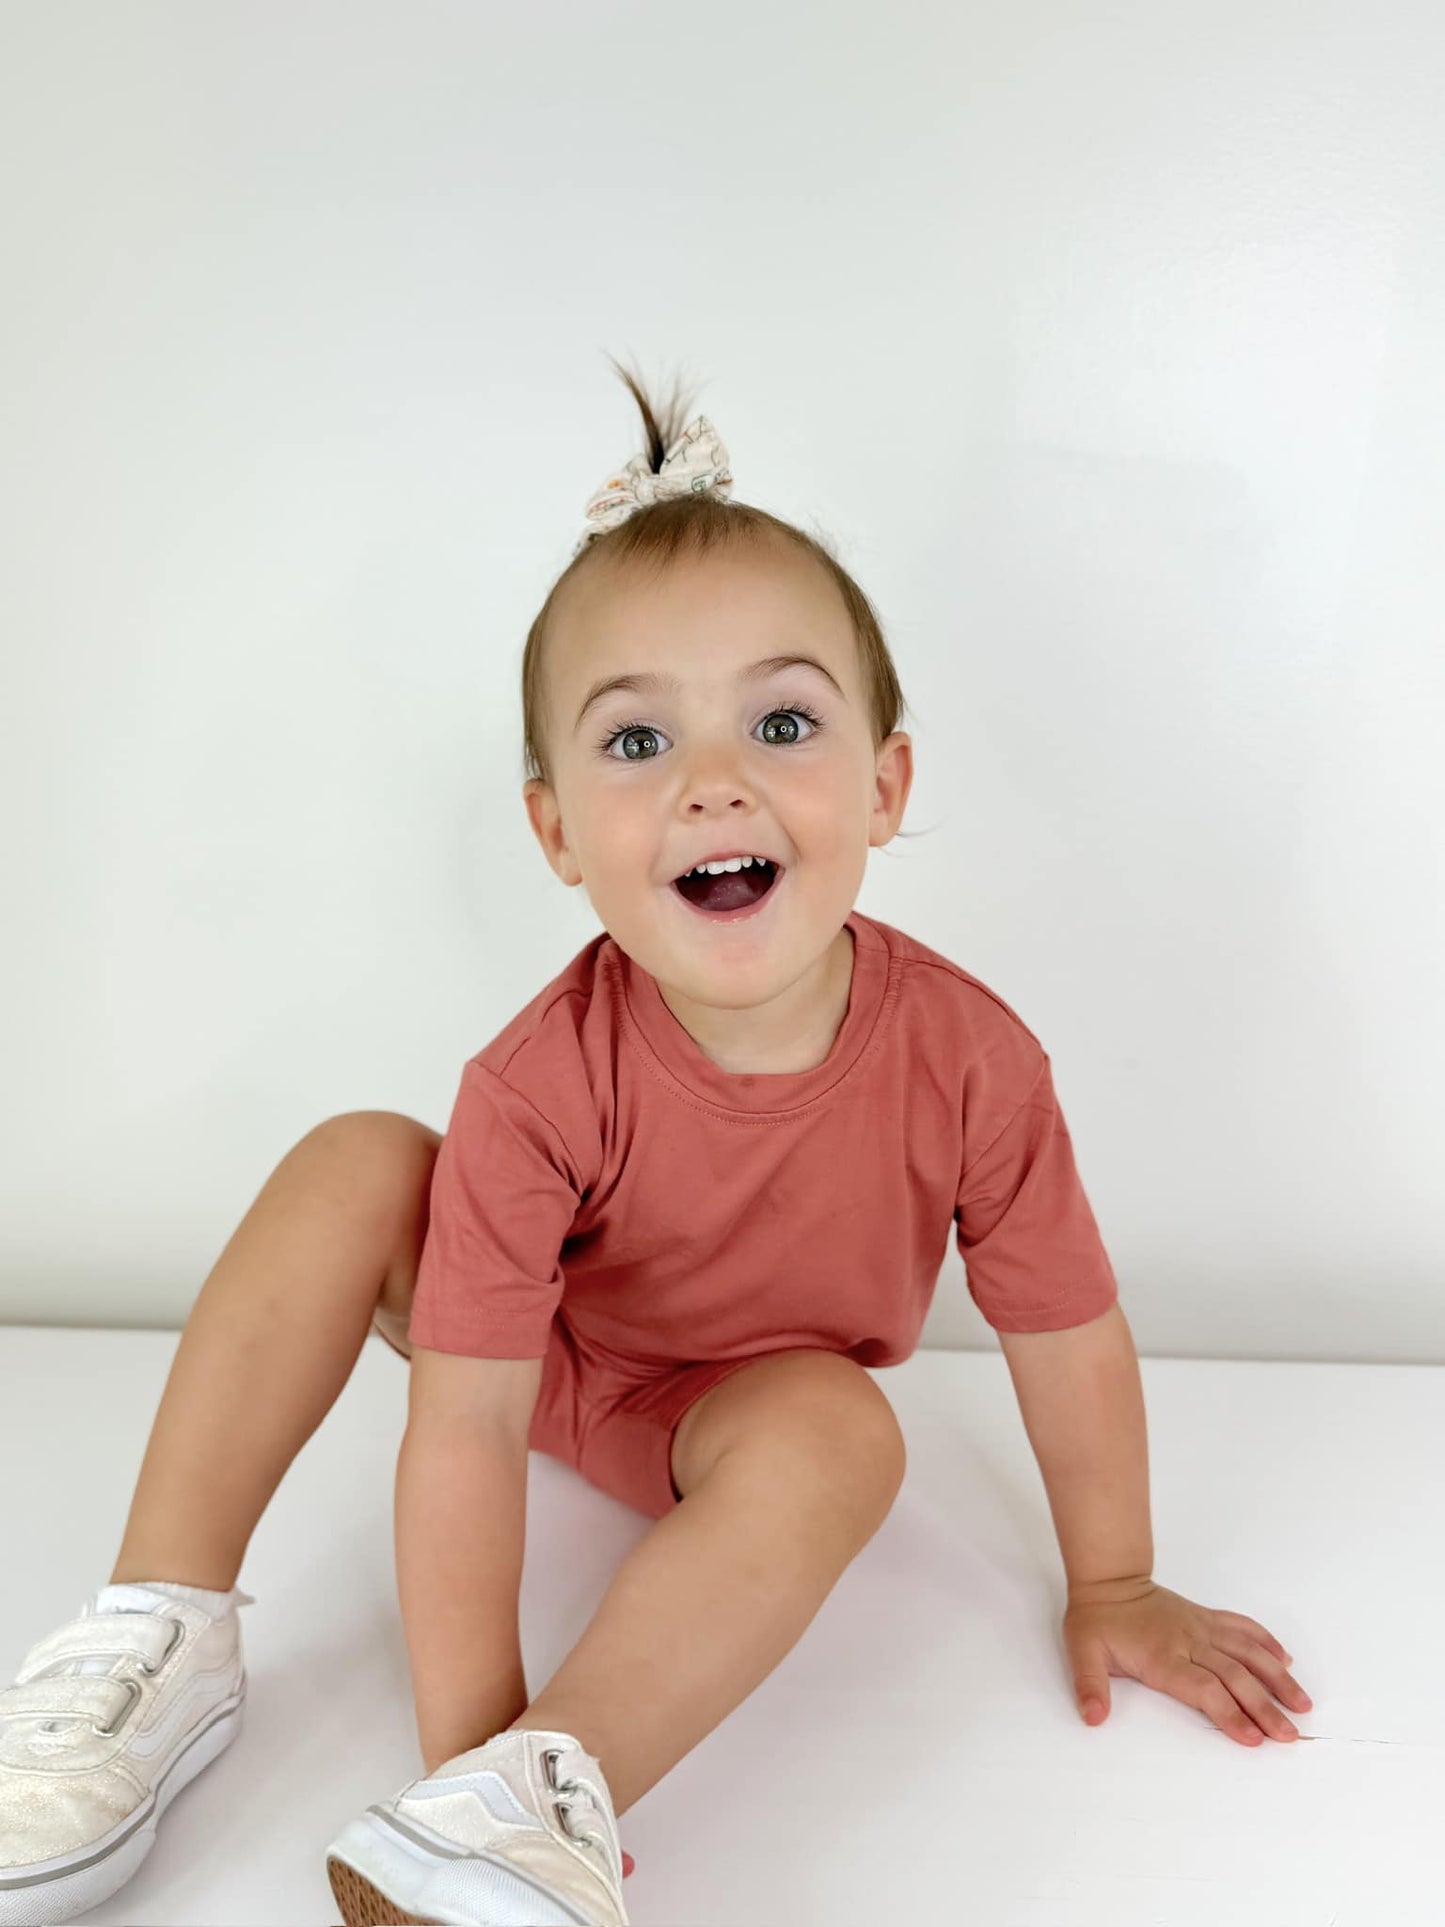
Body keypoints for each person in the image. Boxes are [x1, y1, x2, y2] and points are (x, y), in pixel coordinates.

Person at [0, 357, 1311, 1927]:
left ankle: (542, 1784)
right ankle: (159, 1633)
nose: (711, 782)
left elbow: (1066, 1331)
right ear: (557, 833)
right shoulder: (540, 1081)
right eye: (636, 744)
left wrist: (1113, 1582)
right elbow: (469, 1432)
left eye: (779, 720)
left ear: (883, 785)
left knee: (844, 1429)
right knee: (356, 1158)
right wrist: (451, 1729)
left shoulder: (972, 1058)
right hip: (534, 1357)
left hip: (733, 1415)